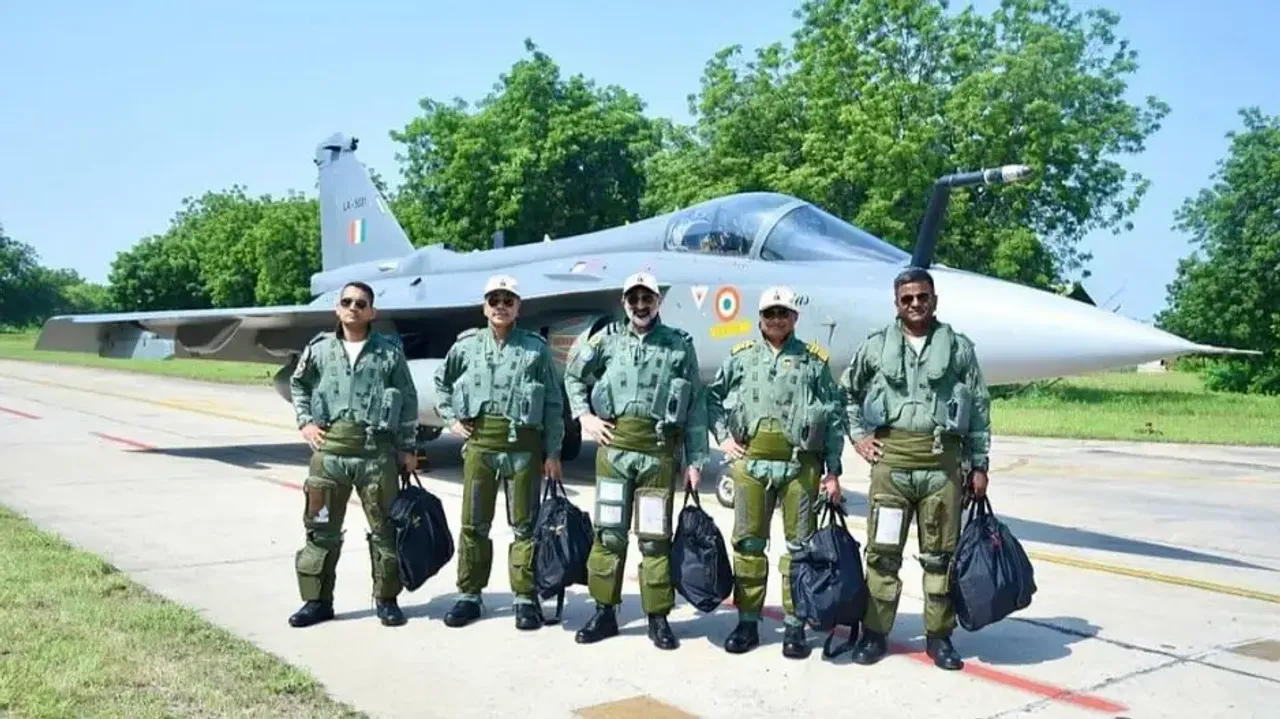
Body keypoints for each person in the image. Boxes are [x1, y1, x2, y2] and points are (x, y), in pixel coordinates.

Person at [838, 267, 992, 670]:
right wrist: (858, 437)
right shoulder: (876, 347)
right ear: (897, 304)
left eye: (922, 297)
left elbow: (978, 407)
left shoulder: (958, 348)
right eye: (907, 299)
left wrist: (979, 464)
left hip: (941, 468)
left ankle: (939, 637)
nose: (915, 304)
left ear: (934, 300)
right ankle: (875, 633)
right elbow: (848, 392)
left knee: (940, 556)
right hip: (892, 466)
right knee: (883, 554)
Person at [562, 271, 710, 650]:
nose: (641, 306)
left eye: (648, 299)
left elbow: (695, 405)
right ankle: (604, 611)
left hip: (658, 452)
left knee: (654, 539)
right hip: (614, 451)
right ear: (625, 303)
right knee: (609, 534)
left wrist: (695, 459)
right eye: (634, 299)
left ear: (658, 301)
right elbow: (574, 376)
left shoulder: (678, 346)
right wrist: (585, 417)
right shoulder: (607, 341)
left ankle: (657, 617)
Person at [705, 285, 845, 658]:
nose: (777, 319)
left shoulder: (814, 362)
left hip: (801, 465)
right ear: (760, 318)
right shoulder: (741, 357)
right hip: (751, 465)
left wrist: (833, 470)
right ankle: (747, 621)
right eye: (770, 313)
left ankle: (796, 626)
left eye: (783, 313)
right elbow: (712, 397)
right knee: (749, 545)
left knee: (800, 549)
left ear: (794, 318)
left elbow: (833, 415)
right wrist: (723, 438)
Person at [432, 274, 565, 631]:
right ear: (484, 306)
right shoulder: (466, 346)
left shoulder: (535, 349)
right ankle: (470, 595)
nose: (501, 307)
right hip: (481, 446)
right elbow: (441, 382)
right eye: (495, 300)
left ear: (518, 307)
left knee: (524, 525)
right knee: (474, 523)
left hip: (524, 447)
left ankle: (525, 597)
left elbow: (553, 403)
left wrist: (552, 452)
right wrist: (450, 419)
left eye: (508, 300)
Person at [287, 280, 420, 629]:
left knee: (385, 532)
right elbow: (298, 383)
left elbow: (407, 399)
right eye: (347, 301)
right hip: (329, 454)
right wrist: (305, 423)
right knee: (320, 531)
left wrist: (407, 448)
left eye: (361, 304)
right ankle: (317, 602)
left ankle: (387, 600)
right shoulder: (319, 349)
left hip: (376, 454)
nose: (353, 308)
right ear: (337, 308)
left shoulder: (389, 353)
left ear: (371, 312)